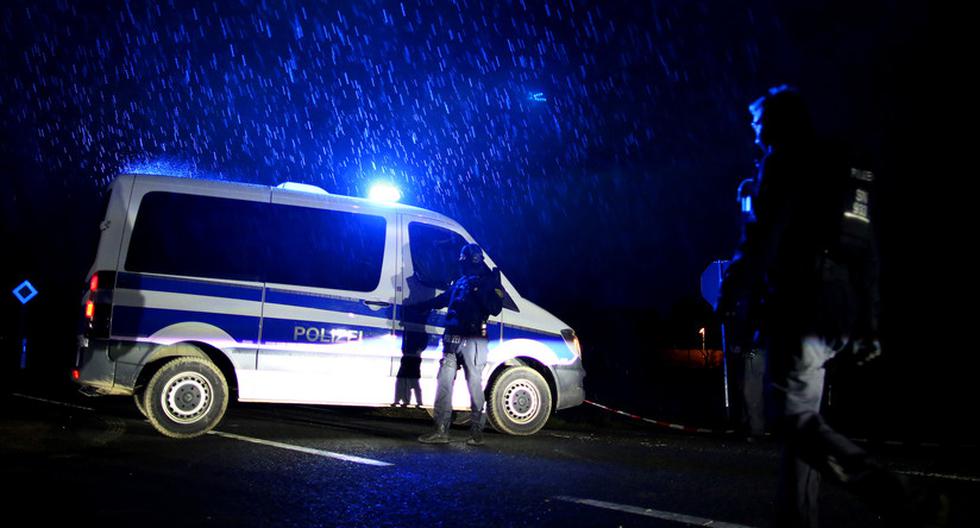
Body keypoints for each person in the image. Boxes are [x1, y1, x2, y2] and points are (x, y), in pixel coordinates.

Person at [719, 85, 942, 527]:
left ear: (781, 124)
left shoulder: (784, 160)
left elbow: (761, 238)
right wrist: (869, 322)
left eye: (761, 126)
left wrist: (733, 292)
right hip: (840, 306)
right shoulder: (842, 166)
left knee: (791, 420)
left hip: (802, 302)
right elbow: (868, 249)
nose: (757, 136)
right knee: (802, 421)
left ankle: (904, 498)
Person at [414, 243, 504, 446]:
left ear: (472, 259)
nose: (460, 262)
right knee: (444, 384)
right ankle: (441, 430)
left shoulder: (489, 280)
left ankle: (476, 432)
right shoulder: (461, 280)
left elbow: (495, 308)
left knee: (474, 386)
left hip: (474, 340)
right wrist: (419, 307)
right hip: (451, 340)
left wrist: (479, 288)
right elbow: (444, 299)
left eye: (463, 258)